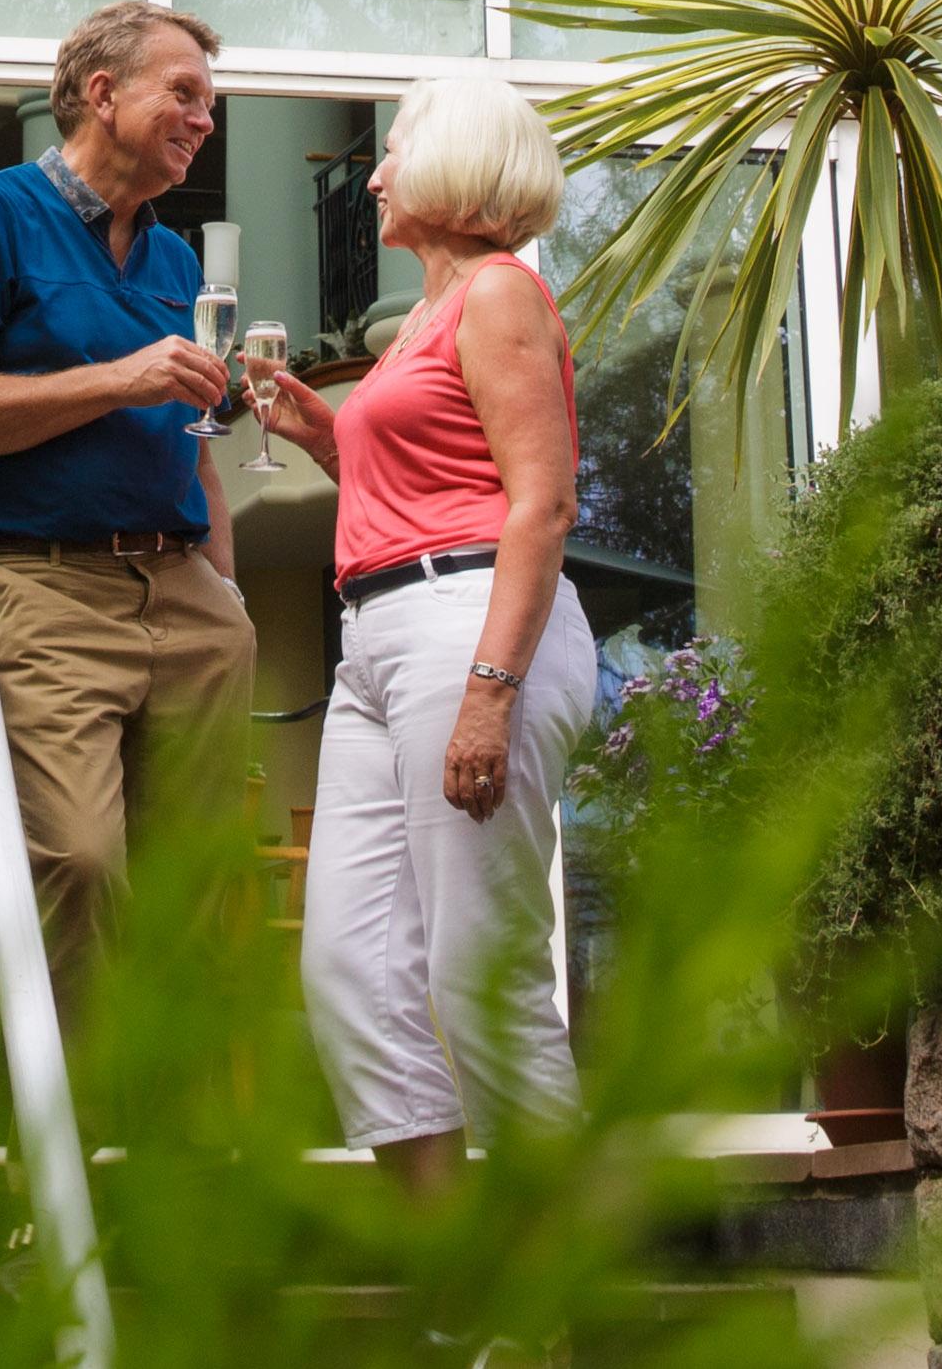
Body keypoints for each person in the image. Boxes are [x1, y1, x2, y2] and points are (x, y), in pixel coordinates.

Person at [239, 67, 593, 1178]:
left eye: (395, 150)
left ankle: (548, 1316)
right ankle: (465, 1296)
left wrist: (492, 688)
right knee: (350, 974)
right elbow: (416, 481)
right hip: (378, 639)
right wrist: (319, 433)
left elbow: (541, 501)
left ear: (454, 166)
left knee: (480, 978)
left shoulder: (499, 293)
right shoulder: (426, 320)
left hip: (471, 623)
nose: (376, 173)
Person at [0, 0, 257, 972]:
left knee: (194, 877)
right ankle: (80, 1120)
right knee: (84, 859)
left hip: (185, 589)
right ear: (102, 94)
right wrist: (123, 378)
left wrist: (225, 589)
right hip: (45, 586)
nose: (204, 119)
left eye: (210, 103)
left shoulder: (177, 256)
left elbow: (192, 444)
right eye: (183, 93)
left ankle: (164, 1119)